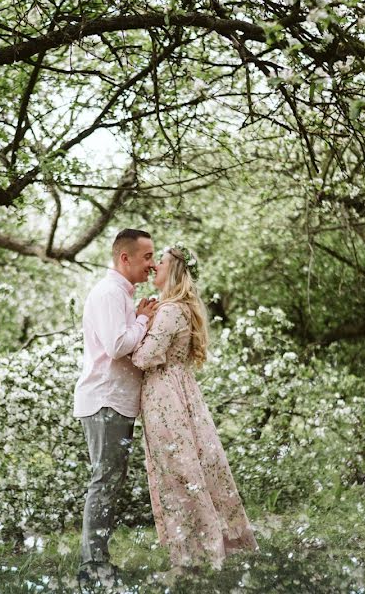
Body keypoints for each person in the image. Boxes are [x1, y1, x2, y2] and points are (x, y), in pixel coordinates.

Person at [132, 244, 257, 574]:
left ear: (174, 270)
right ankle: (206, 547)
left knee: (177, 472)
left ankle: (192, 557)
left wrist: (136, 326)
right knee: (192, 466)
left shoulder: (170, 310)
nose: (154, 265)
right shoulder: (178, 308)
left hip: (164, 396)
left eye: (160, 261)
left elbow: (145, 358)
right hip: (182, 391)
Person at [73, 228, 157, 586]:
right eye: (147, 257)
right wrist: (142, 320)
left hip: (116, 402)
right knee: (104, 482)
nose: (152, 265)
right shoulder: (109, 293)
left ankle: (97, 560)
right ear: (125, 258)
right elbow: (117, 344)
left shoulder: (122, 293)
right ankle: (92, 567)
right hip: (104, 400)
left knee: (109, 482)